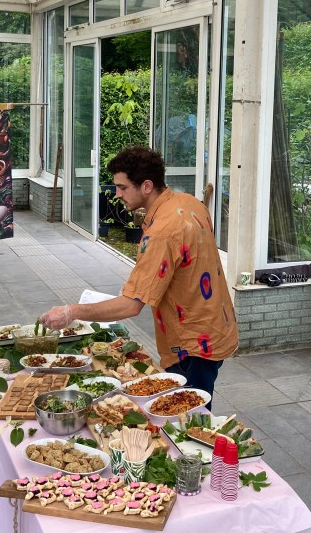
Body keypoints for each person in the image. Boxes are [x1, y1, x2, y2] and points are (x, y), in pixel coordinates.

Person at [40, 146, 238, 398]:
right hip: (216, 328)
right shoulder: (188, 203)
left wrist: (72, 312)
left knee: (187, 419)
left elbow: (131, 306)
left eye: (122, 187)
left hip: (193, 345)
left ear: (146, 186)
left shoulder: (163, 232)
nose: (117, 194)